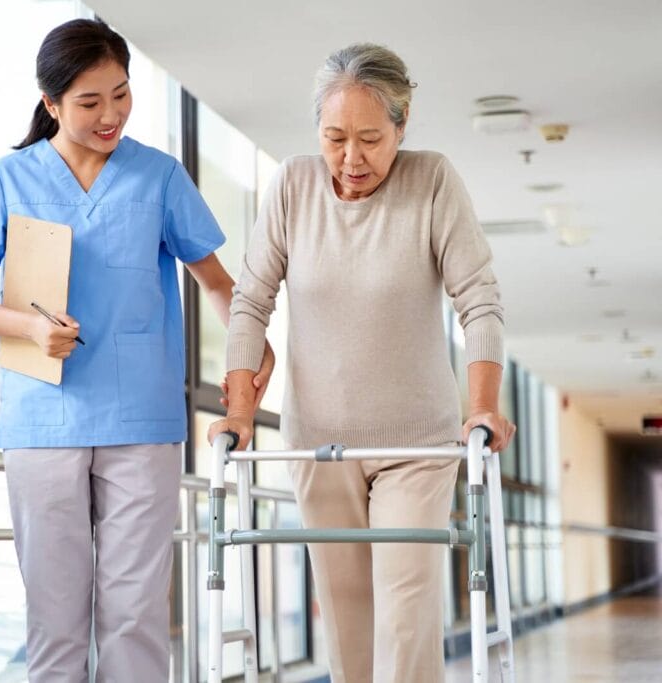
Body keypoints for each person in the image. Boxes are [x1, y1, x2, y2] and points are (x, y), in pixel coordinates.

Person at [0, 19, 273, 682]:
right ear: (52, 105)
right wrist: (31, 328)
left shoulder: (158, 177)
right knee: (55, 616)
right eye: (90, 103)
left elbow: (218, 285)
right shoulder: (10, 179)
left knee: (134, 613)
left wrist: (254, 348)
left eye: (120, 95)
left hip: (141, 420)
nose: (110, 115)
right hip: (42, 419)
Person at [208, 43, 516, 682]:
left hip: (417, 444)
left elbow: (478, 300)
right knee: (347, 619)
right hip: (320, 442)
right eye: (335, 137)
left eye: (372, 139)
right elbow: (250, 300)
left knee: (406, 612)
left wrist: (482, 405)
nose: (352, 159)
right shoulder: (293, 185)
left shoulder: (431, 180)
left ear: (403, 127)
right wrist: (239, 412)